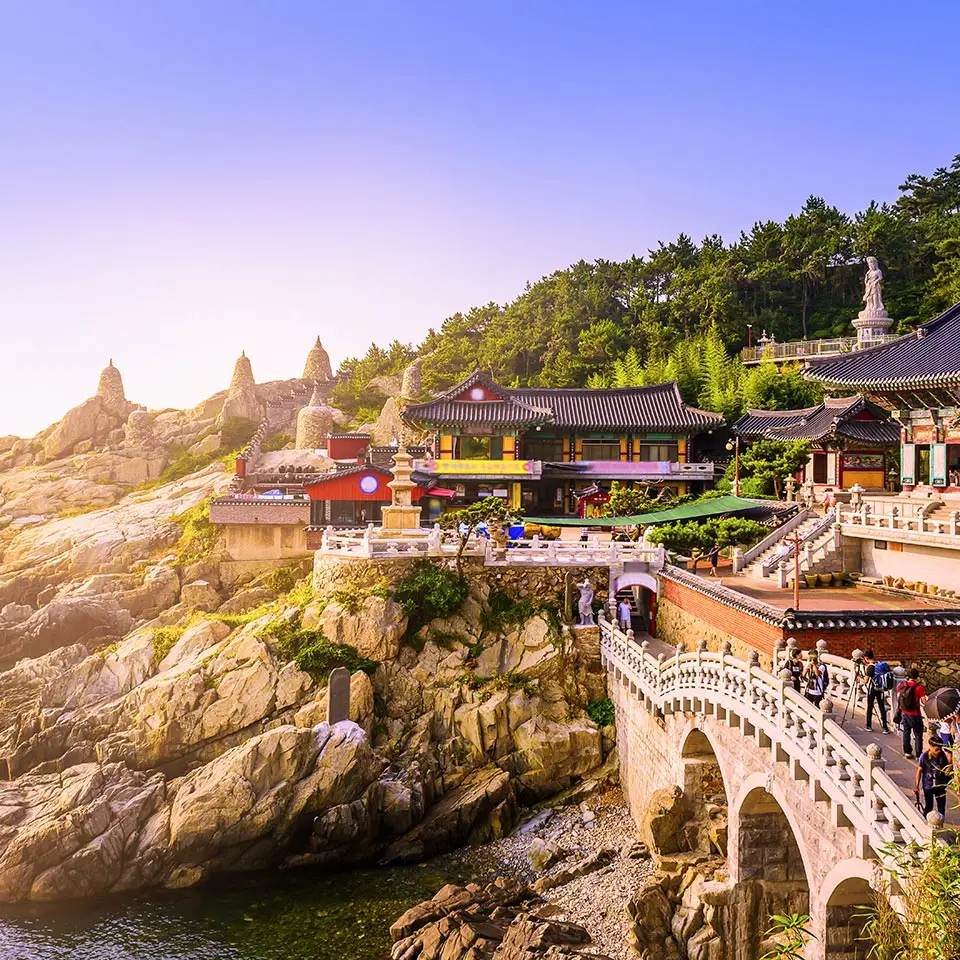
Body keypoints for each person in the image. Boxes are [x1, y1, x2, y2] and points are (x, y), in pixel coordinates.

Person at [914, 737, 953, 820]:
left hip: (940, 786)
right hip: (928, 786)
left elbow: (948, 766)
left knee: (941, 808)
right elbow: (919, 772)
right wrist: (917, 786)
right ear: (930, 746)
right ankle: (924, 822)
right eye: (936, 749)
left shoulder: (942, 755)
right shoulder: (924, 757)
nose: (939, 751)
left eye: (940, 749)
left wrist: (949, 769)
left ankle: (940, 824)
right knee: (929, 806)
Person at [897, 668, 927, 759]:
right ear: (917, 676)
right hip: (915, 714)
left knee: (906, 732)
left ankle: (907, 752)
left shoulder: (901, 685)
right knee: (918, 734)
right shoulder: (919, 688)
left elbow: (899, 697)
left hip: (904, 713)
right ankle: (918, 754)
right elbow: (924, 701)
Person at [862, 648, 892, 734]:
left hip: (873, 689)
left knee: (870, 707)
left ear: (866, 658)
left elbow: (865, 681)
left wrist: (859, 678)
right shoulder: (879, 663)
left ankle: (868, 726)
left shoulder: (870, 667)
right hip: (881, 689)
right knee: (882, 708)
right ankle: (885, 728)